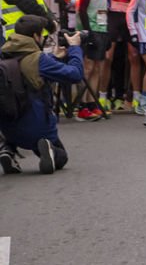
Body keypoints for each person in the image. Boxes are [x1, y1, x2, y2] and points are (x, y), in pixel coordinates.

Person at [0, 16, 84, 174]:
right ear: (35, 37)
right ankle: (49, 148)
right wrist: (74, 48)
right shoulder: (40, 60)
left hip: (7, 127)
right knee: (62, 157)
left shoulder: (3, 54)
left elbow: (23, 66)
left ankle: (7, 149)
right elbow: (75, 74)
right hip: (37, 128)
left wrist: (54, 58)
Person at [74, 0, 111, 121]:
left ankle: (92, 103)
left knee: (97, 67)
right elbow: (82, 8)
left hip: (101, 28)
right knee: (88, 67)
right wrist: (87, 32)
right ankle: (82, 106)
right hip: (90, 29)